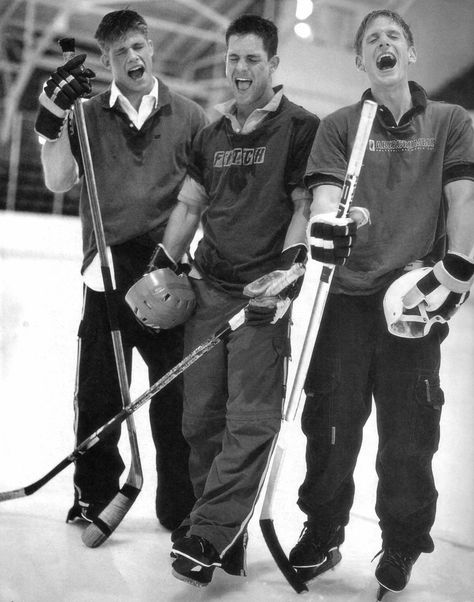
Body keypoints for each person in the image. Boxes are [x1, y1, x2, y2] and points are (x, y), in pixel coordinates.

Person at [288, 8, 474, 599]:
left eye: (393, 36)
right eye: (372, 40)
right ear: (361, 60)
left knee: (410, 434)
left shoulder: (450, 121)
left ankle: (400, 544)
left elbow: (463, 199)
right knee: (332, 427)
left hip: (412, 302)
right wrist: (331, 223)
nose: (383, 44)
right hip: (344, 302)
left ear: (409, 53)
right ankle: (322, 531)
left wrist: (457, 268)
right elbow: (322, 202)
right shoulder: (341, 125)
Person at [142, 13, 319, 588]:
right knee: (198, 420)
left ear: (272, 64)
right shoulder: (211, 133)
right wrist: (165, 262)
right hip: (209, 291)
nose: (240, 69)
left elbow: (302, 206)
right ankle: (223, 530)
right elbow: (190, 207)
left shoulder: (300, 128)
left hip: (262, 298)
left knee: (249, 421)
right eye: (233, 58)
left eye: (251, 59)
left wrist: (289, 274)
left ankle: (208, 532)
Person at [34, 9, 208, 531]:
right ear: (106, 61)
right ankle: (93, 495)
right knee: (98, 397)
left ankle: (179, 503)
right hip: (105, 274)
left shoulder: (189, 116)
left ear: (151, 47)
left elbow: (205, 198)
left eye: (139, 46)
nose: (132, 58)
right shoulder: (83, 116)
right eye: (119, 52)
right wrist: (49, 124)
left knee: (174, 400)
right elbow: (60, 180)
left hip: (165, 273)